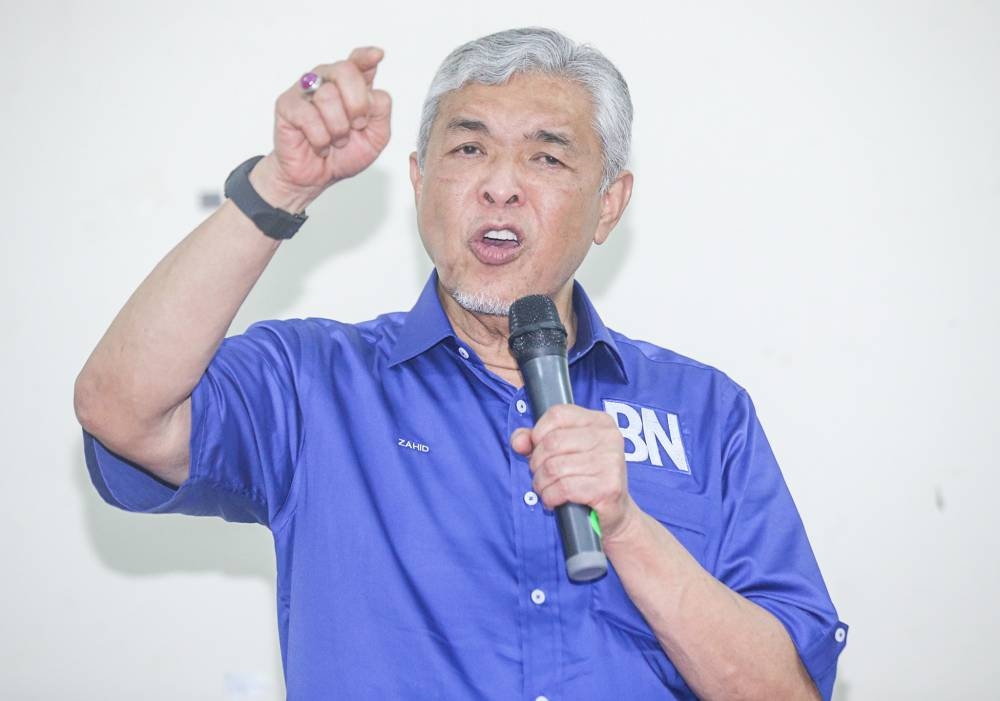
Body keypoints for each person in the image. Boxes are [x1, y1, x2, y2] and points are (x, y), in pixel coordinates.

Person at [75, 27, 847, 700]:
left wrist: (628, 527)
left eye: (546, 156)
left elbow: (786, 690)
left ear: (609, 205)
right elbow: (120, 409)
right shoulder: (317, 383)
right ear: (418, 182)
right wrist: (282, 186)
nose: (500, 185)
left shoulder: (707, 412)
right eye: (469, 148)